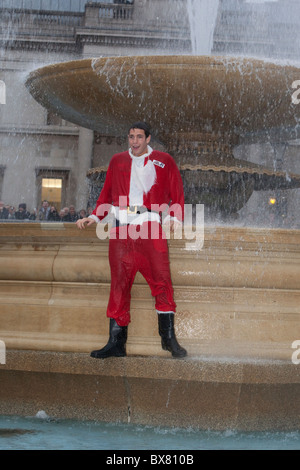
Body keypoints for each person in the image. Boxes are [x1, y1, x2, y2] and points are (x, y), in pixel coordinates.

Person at [76, 122, 187, 359]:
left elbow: (176, 190)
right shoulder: (117, 161)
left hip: (149, 224)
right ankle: (116, 343)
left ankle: (168, 340)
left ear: (148, 139)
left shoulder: (164, 160)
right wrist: (94, 216)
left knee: (162, 281)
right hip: (120, 226)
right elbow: (106, 192)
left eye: (139, 137)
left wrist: (176, 216)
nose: (134, 141)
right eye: (131, 137)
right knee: (119, 284)